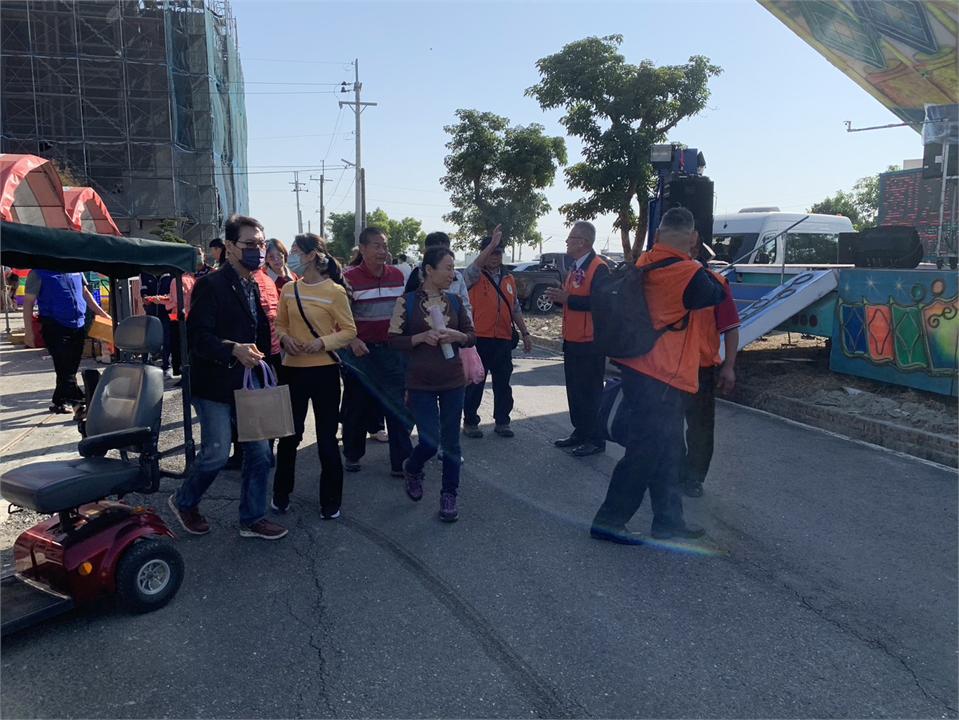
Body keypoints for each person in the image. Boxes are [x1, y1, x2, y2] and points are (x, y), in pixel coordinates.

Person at [590, 208, 726, 545]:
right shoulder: (689, 273)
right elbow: (718, 293)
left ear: (659, 234)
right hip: (662, 376)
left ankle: (668, 521)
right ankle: (609, 521)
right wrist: (698, 257)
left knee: (667, 453)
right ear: (693, 238)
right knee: (645, 452)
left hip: (640, 367)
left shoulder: (645, 262)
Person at [168, 213, 287, 541]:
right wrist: (233, 349)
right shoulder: (211, 285)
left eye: (261, 244)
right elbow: (198, 338)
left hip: (249, 383)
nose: (258, 250)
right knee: (217, 453)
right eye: (251, 244)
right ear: (230, 247)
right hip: (214, 386)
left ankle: (252, 518)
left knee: (261, 454)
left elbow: (259, 333)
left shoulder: (255, 284)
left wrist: (268, 363)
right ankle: (184, 501)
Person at [389, 246, 476, 522]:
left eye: (453, 269)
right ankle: (413, 468)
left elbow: (471, 335)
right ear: (429, 270)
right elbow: (393, 340)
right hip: (420, 382)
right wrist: (420, 338)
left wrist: (457, 336)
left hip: (453, 380)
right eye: (448, 268)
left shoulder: (456, 301)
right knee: (429, 441)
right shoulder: (406, 302)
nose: (453, 274)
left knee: (451, 442)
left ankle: (449, 494)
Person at [273, 233, 357, 516]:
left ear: (311, 255)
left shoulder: (335, 291)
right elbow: (280, 324)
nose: (292, 255)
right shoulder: (288, 289)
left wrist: (322, 342)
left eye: (296, 250)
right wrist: (285, 339)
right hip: (292, 370)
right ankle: (281, 494)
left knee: (326, 438)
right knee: (288, 437)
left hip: (325, 372)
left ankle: (331, 501)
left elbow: (349, 331)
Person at [340, 226, 413, 475]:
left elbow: (404, 312)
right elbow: (339, 317)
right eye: (376, 246)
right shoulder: (348, 278)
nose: (383, 251)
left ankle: (401, 461)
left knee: (398, 406)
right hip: (361, 354)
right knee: (357, 407)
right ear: (362, 249)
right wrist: (352, 340)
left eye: (385, 246)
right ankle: (352, 454)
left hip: (393, 353)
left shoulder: (398, 276)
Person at [545, 221, 610, 458]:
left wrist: (568, 299)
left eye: (570, 238)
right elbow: (571, 299)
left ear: (582, 242)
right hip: (572, 339)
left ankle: (595, 439)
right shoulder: (575, 267)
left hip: (590, 342)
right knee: (575, 390)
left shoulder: (598, 267)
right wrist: (559, 298)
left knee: (590, 391)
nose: (567, 242)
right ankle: (580, 431)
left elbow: (601, 304)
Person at [461, 225, 533, 439]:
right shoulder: (474, 275)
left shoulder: (509, 278)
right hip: (479, 338)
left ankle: (502, 421)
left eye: (498, 252)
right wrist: (491, 243)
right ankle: (470, 422)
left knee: (503, 383)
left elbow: (515, 308)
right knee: (476, 382)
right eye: (491, 252)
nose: (495, 256)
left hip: (502, 338)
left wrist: (525, 333)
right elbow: (474, 267)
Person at [681, 249, 740, 498]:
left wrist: (729, 366)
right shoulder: (664, 281)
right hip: (668, 368)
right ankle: (674, 470)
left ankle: (694, 477)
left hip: (701, 368)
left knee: (700, 428)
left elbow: (731, 327)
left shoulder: (716, 284)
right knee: (666, 426)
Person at [22, 270, 111, 414]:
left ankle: (59, 401)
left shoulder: (75, 269)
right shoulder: (38, 273)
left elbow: (85, 293)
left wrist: (102, 313)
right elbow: (28, 302)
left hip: (78, 324)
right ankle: (79, 404)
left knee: (69, 369)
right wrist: (29, 332)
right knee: (65, 368)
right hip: (54, 325)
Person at [404, 232, 473, 319]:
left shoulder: (457, 277)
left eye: (445, 251)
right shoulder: (415, 276)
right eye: (435, 252)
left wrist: (466, 325)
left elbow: (465, 306)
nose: (443, 254)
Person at [141, 270, 174, 379]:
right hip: (151, 312)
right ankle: (145, 363)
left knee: (167, 340)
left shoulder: (170, 273)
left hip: (166, 312)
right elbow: (143, 290)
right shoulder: (145, 273)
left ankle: (167, 366)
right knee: (148, 338)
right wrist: (146, 298)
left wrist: (163, 299)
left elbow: (172, 294)